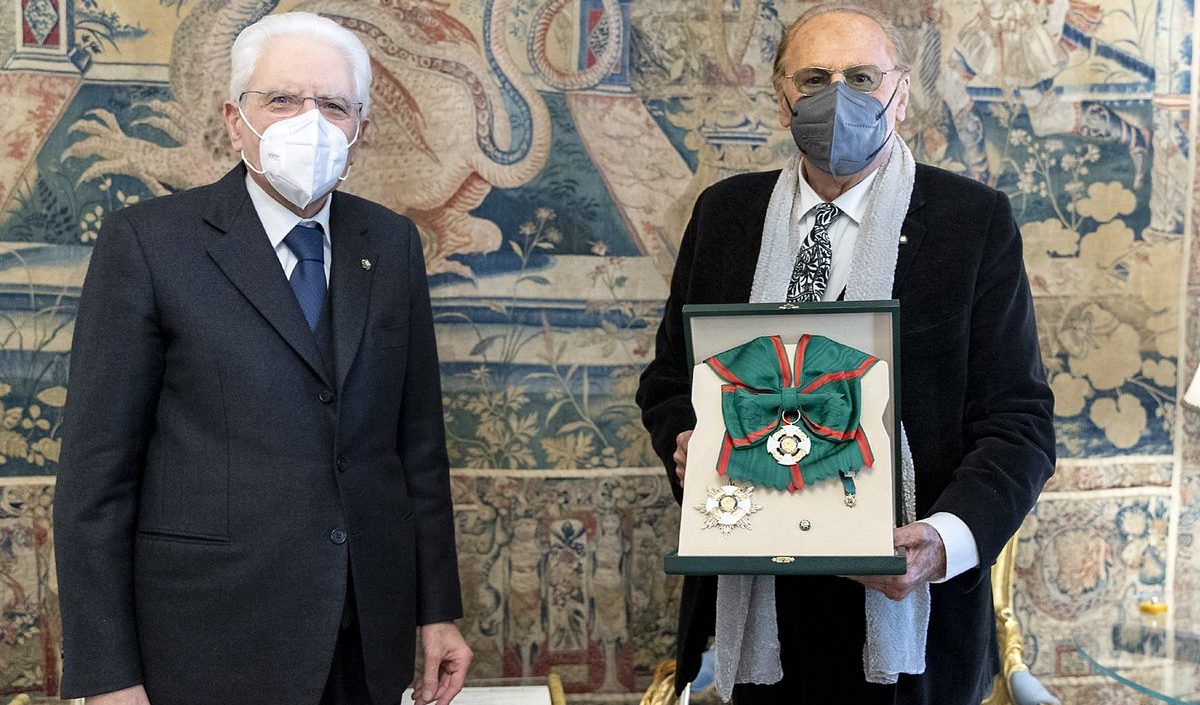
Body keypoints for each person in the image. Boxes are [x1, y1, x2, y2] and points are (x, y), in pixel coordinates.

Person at [636, 3, 1055, 704]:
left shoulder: (972, 222)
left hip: (910, 621)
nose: (838, 98)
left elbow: (1020, 420)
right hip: (761, 615)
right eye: (814, 79)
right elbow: (670, 380)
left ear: (900, 95)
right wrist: (687, 440)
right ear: (782, 100)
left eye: (861, 78)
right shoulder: (724, 215)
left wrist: (939, 542)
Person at [53, 12, 471, 705]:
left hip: (365, 640)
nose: (310, 122)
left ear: (359, 128)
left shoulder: (391, 243)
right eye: (281, 100)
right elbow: (96, 482)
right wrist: (107, 676)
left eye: (333, 105)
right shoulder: (149, 244)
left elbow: (417, 449)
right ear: (234, 119)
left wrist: (436, 611)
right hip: (207, 645)